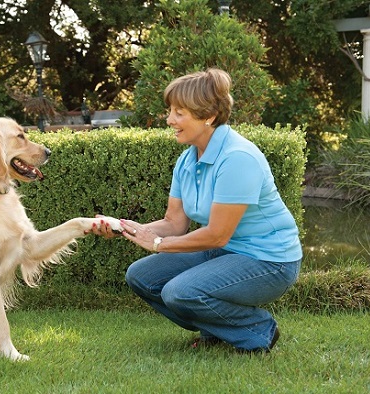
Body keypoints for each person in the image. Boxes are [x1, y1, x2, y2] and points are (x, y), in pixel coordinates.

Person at [92, 68, 302, 353]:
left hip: (269, 260)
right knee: (141, 276)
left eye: (179, 112)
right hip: (225, 252)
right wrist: (124, 228)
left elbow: (217, 235)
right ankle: (217, 329)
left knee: (180, 292)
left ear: (209, 117)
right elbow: (174, 222)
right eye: (170, 111)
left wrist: (159, 244)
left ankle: (257, 330)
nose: (169, 120)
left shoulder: (237, 158)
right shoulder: (188, 158)